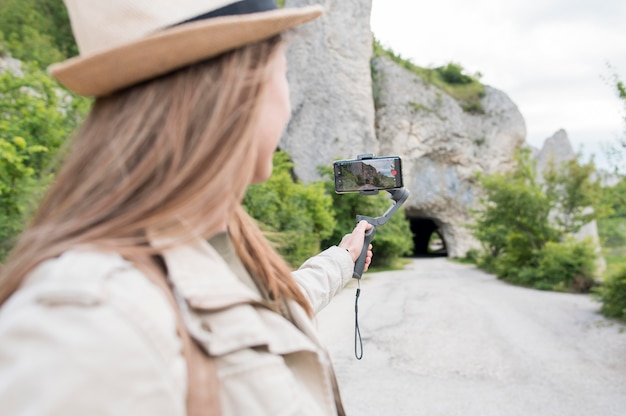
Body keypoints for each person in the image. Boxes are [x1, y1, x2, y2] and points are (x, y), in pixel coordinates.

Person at [0, 1, 373, 415]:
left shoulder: (210, 243)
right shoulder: (90, 319)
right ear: (242, 87)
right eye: (282, 69)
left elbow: (261, 311)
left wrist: (343, 258)